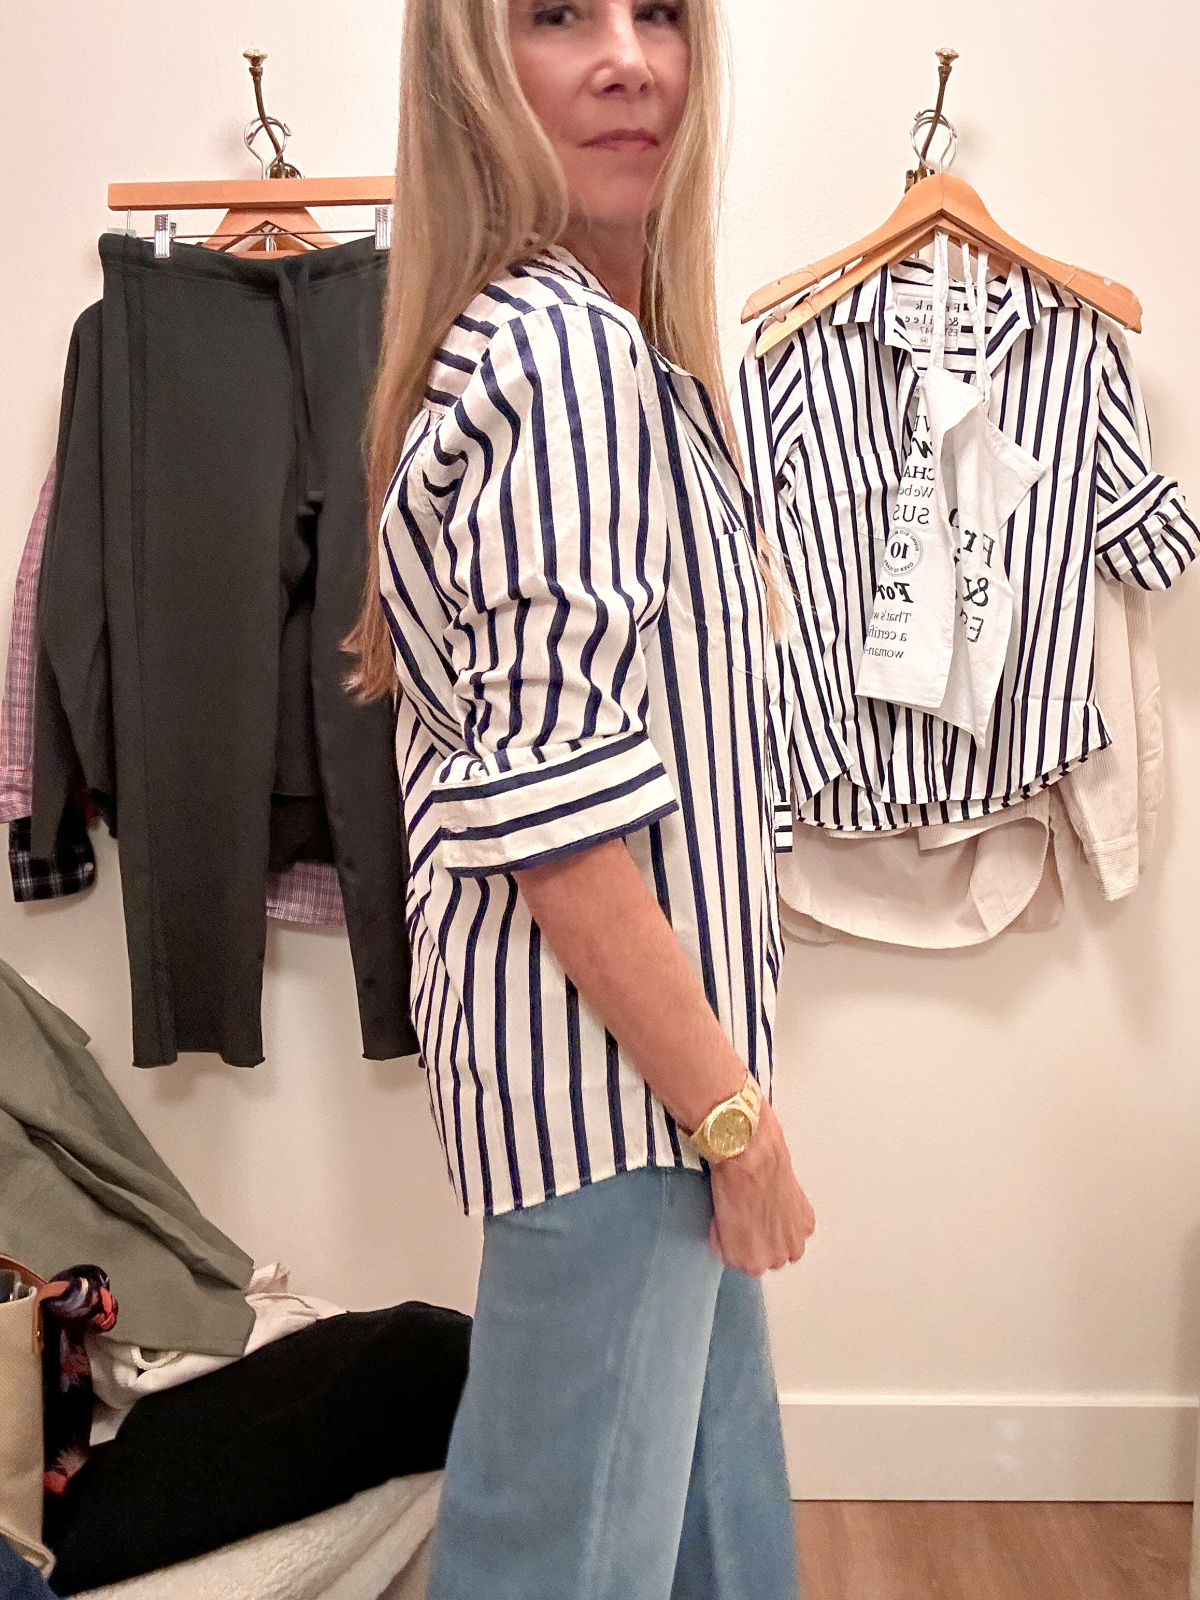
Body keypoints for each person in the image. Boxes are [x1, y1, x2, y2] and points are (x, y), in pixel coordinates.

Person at [346, 2, 816, 1594]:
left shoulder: (604, 353)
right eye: (559, 15)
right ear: (471, 66)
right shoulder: (562, 352)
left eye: (662, 14)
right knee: (564, 1561)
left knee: (712, 1543)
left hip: (641, 1091)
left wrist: (721, 1107)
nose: (632, 58)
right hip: (624, 1099)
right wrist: (736, 1126)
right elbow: (556, 813)